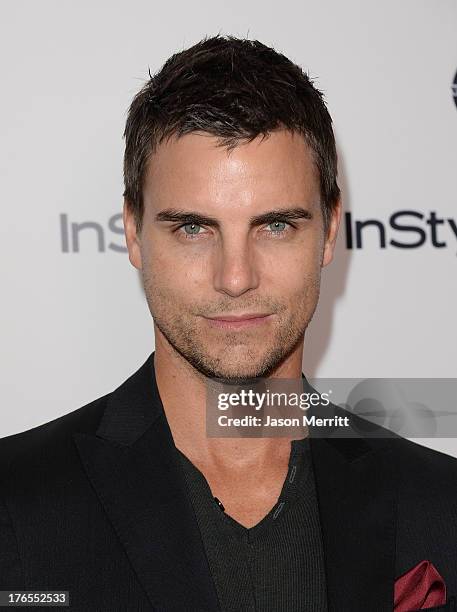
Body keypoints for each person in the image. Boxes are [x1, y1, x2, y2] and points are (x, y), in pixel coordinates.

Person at [1, 34, 456, 612]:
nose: (235, 277)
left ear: (331, 230)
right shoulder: (15, 503)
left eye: (275, 226)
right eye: (193, 228)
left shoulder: (439, 506)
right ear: (134, 232)